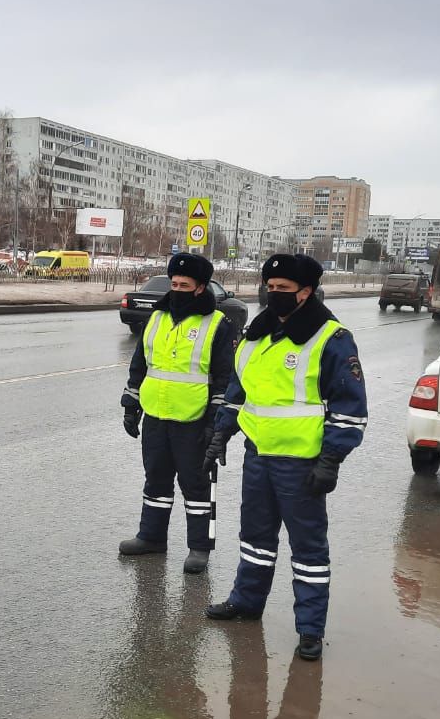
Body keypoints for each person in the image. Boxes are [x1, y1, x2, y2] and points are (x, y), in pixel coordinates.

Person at [202, 253, 368, 660]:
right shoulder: (255, 335)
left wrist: (332, 459)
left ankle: (310, 629)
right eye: (269, 288)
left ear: (306, 292)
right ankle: (246, 602)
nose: (272, 295)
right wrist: (220, 435)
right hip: (258, 456)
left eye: (282, 290)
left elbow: (351, 407)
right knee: (255, 540)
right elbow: (241, 392)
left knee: (308, 550)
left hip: (302, 464)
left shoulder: (331, 337)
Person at [119, 252, 236, 574]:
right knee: (156, 479)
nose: (178, 289)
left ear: (201, 288)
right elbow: (141, 364)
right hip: (157, 414)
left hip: (194, 420)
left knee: (196, 485)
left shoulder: (218, 324)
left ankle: (200, 547)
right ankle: (151, 537)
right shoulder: (156, 318)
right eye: (174, 283)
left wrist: (216, 422)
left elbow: (226, 378)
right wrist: (132, 405)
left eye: (185, 284)